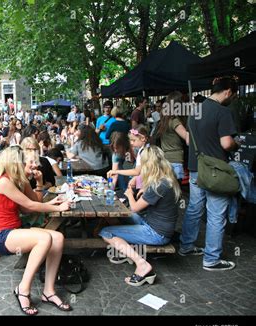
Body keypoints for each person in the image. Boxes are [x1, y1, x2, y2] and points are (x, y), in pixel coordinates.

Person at [0, 146, 72, 314]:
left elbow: (31, 205)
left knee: (58, 238)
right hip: (0, 235)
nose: (30, 164)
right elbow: (30, 205)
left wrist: (39, 184)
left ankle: (48, 291)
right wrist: (55, 207)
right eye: (25, 161)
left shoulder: (20, 180)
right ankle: (23, 289)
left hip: (15, 231)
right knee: (45, 239)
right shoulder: (4, 181)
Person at [180, 77, 239, 271]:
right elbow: (226, 144)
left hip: (196, 168)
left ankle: (186, 246)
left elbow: (189, 141)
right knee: (215, 214)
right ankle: (211, 259)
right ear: (228, 91)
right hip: (215, 170)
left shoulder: (194, 111)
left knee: (195, 208)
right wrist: (235, 144)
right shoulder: (223, 112)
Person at [99, 146, 180, 286]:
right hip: (152, 223)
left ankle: (141, 264)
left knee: (106, 232)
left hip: (156, 233)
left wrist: (129, 194)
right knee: (115, 216)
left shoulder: (158, 185)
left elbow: (135, 208)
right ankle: (123, 250)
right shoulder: (166, 178)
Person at [155, 92, 187, 181]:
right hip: (176, 161)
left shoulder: (164, 120)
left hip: (165, 160)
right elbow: (188, 138)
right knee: (176, 192)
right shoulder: (174, 121)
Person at [107, 125, 149, 191]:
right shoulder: (116, 154)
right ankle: (125, 190)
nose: (115, 150)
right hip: (133, 171)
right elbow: (114, 174)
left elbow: (137, 171)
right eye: (113, 148)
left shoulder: (137, 149)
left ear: (123, 144)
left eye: (117, 148)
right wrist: (110, 190)